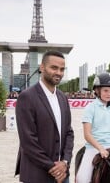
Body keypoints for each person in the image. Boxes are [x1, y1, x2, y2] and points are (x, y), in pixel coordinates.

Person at [15, 50, 74, 183]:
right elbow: (28, 141)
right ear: (42, 67)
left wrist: (65, 162)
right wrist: (53, 167)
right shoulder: (27, 97)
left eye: (62, 69)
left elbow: (69, 132)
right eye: (54, 67)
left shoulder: (63, 98)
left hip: (62, 174)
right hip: (37, 175)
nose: (58, 72)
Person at [76, 72, 110, 183]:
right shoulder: (90, 108)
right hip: (93, 147)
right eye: (105, 90)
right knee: (82, 178)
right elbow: (87, 134)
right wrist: (100, 149)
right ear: (97, 91)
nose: (109, 94)